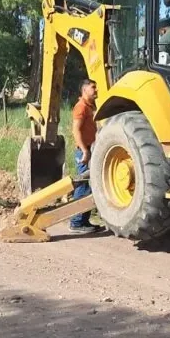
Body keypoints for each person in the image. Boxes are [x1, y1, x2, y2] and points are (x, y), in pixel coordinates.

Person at [68, 78, 99, 234]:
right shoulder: (80, 107)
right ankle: (76, 222)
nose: (96, 90)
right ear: (84, 90)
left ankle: (84, 221)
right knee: (83, 186)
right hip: (84, 151)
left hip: (90, 149)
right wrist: (85, 151)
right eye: (93, 87)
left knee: (89, 185)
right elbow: (76, 130)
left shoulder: (89, 107)